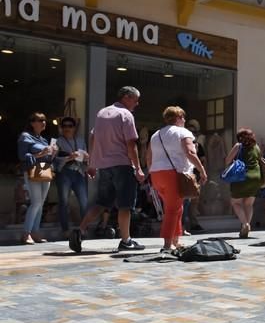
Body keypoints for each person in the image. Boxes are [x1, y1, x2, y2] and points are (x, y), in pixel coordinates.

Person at [71, 87, 146, 253]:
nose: (137, 103)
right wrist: (138, 168)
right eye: (135, 99)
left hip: (105, 166)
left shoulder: (102, 113)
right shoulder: (126, 115)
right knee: (125, 205)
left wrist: (92, 163)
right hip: (123, 165)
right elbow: (131, 144)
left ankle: (80, 229)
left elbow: (93, 136)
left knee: (101, 203)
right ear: (126, 97)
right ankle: (126, 241)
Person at [146, 107, 207, 252]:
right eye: (183, 117)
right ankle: (168, 244)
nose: (185, 120)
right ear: (178, 117)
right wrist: (202, 170)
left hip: (156, 174)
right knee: (173, 209)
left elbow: (148, 157)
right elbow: (190, 152)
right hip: (172, 174)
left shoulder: (156, 134)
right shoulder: (183, 132)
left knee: (176, 208)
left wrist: (151, 171)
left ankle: (175, 240)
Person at [17, 112, 57, 244]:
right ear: (32, 123)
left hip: (44, 170)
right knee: (36, 203)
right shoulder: (25, 136)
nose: (43, 122)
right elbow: (23, 156)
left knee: (41, 203)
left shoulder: (44, 139)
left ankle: (35, 232)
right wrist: (41, 153)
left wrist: (52, 153)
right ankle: (26, 233)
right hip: (32, 170)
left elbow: (48, 158)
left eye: (44, 120)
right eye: (40, 120)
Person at [53, 116, 89, 241]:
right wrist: (69, 157)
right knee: (64, 202)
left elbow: (86, 156)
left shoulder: (80, 140)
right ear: (61, 128)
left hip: (78, 172)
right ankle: (65, 230)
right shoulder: (57, 141)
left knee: (84, 202)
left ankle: (83, 229)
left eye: (70, 126)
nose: (67, 128)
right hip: (64, 173)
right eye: (65, 126)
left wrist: (85, 157)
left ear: (74, 128)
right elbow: (53, 159)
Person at [225, 128, 263, 239]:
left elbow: (227, 160)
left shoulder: (238, 146)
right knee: (249, 204)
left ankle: (245, 224)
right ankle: (245, 227)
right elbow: (260, 159)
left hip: (241, 177)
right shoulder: (256, 147)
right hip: (256, 177)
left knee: (236, 203)